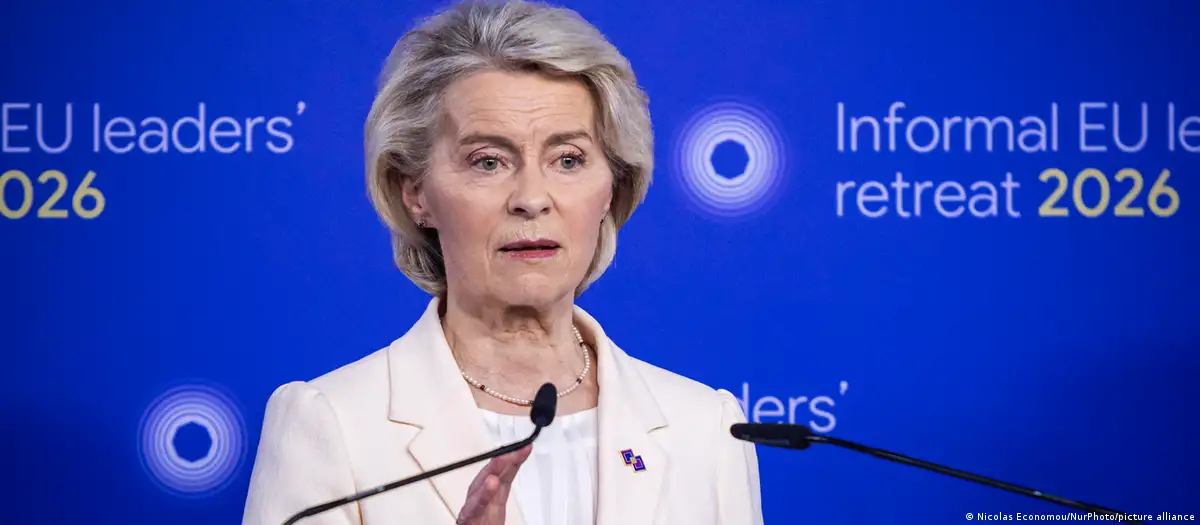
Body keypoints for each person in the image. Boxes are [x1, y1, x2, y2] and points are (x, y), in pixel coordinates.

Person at [241, 1, 763, 524]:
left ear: (612, 187)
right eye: (488, 161)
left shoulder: (704, 429)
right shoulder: (332, 424)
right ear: (415, 192)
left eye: (568, 160)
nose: (531, 198)